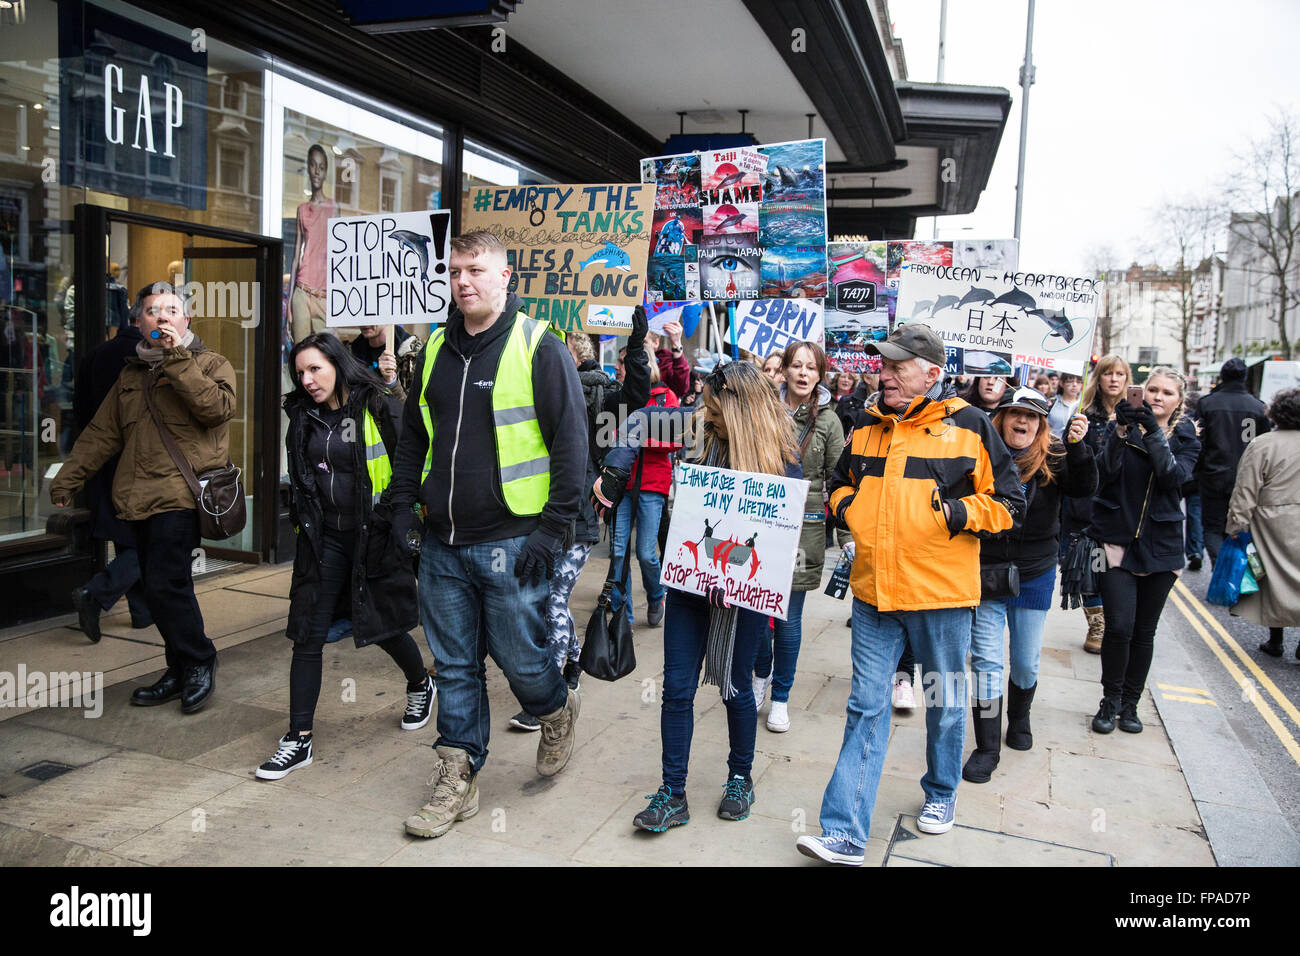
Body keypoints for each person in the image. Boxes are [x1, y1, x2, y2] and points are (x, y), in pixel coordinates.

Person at [797, 323, 1024, 864]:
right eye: (884, 364)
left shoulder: (970, 426)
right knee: (865, 707)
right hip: (875, 593)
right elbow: (840, 485)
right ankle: (845, 833)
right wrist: (849, 509)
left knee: (945, 704)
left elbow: (1010, 502)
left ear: (932, 374)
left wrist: (954, 512)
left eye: (899, 366)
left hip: (941, 595)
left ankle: (942, 792)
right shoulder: (867, 426)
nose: (887, 373)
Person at [387, 231, 585, 839]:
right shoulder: (436, 349)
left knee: (522, 659)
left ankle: (554, 709)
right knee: (453, 665)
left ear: (504, 278)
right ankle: (458, 771)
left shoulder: (540, 346)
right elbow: (415, 436)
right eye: (454, 271)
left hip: (512, 542)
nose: (463, 281)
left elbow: (572, 443)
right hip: (442, 542)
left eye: (476, 270)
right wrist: (400, 503)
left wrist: (553, 531)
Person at [594, 360, 802, 832]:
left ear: (740, 409)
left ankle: (740, 777)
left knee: (735, 689)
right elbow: (642, 418)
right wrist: (616, 467)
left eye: (713, 409)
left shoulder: (783, 459)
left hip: (741, 593)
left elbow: (778, 542)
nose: (705, 416)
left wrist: (745, 581)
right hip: (689, 585)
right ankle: (672, 792)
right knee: (676, 688)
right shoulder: (697, 432)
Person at [50, 282, 235, 714]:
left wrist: (177, 359)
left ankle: (200, 660)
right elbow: (101, 434)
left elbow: (216, 410)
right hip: (136, 498)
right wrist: (66, 479)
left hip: (181, 498)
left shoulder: (210, 363)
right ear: (139, 323)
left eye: (171, 309)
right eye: (152, 310)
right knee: (157, 589)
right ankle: (179, 667)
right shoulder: (132, 374)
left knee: (166, 584)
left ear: (186, 319)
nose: (162, 316)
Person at [255, 334, 433, 779]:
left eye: (315, 369)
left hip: (373, 537)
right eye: (300, 373)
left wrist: (395, 515)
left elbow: (411, 462)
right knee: (307, 634)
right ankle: (298, 739)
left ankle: (420, 684)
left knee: (382, 624)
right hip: (324, 540)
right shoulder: (303, 414)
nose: (307, 380)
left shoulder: (377, 404)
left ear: (337, 363)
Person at [507, 317, 651, 732]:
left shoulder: (596, 392)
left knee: (552, 599)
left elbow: (636, 395)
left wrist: (636, 346)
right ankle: (572, 661)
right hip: (539, 513)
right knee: (544, 600)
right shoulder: (530, 390)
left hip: (579, 517)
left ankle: (548, 699)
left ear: (573, 352)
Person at [963, 388, 1095, 782]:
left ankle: (1019, 720)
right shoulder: (981, 453)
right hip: (987, 570)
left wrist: (1079, 446)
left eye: (1032, 416)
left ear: (1040, 425)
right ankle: (987, 747)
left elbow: (1084, 488)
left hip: (1034, 573)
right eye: (1015, 413)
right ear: (1001, 418)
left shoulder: (1055, 455)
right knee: (986, 661)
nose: (1023, 421)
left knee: (1025, 661)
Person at [1087, 366, 1200, 735]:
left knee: (1143, 632)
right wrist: (1120, 432)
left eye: (1167, 392)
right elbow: (1104, 472)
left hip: (1162, 548)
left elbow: (1173, 478)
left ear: (1179, 401)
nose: (1157, 397)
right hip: (1115, 540)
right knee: (1118, 627)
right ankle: (1110, 700)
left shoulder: (1187, 438)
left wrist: (1152, 431)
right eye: (1152, 389)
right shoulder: (1119, 427)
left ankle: (1131, 704)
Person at [752, 340, 843, 733]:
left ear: (821, 375)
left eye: (812, 367)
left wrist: (848, 532)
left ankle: (782, 697)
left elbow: (841, 479)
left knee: (787, 621)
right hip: (759, 525)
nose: (804, 374)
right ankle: (759, 676)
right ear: (784, 370)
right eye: (797, 366)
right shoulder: (762, 410)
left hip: (804, 532)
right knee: (755, 612)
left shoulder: (829, 422)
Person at [68, 301, 152, 642]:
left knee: (126, 537)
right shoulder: (153, 357)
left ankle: (143, 612)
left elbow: (82, 413)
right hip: (145, 462)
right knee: (150, 541)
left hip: (105, 460)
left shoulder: (95, 355)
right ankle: (96, 592)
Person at [1227, 387, 1300, 659]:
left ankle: (1276, 640)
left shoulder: (1263, 443)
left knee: (1273, 580)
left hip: (1273, 524)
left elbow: (1245, 490)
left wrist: (1236, 526)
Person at [1071, 354, 1132, 653]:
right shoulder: (1084, 412)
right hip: (1087, 501)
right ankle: (1097, 623)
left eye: (1120, 374)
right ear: (1100, 377)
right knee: (1087, 566)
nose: (1114, 379)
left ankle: (1112, 620)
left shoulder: (1134, 415)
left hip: (1120, 504)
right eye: (1108, 373)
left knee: (1113, 568)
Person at [609, 365, 677, 628]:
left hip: (651, 483)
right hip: (622, 482)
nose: (618, 367)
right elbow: (608, 435)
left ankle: (657, 595)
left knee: (646, 553)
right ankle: (621, 616)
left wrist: (638, 438)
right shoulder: (619, 396)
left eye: (624, 363)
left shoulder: (665, 397)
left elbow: (676, 440)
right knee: (617, 551)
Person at [1195, 357, 1271, 567]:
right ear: (1245, 377)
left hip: (1213, 476)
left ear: (1222, 376)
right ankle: (1238, 572)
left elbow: (1199, 442)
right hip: (1248, 478)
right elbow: (1264, 446)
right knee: (1242, 528)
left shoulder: (1207, 403)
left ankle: (1222, 569)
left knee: (1212, 528)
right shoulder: (1258, 407)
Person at [288, 144, 339, 342]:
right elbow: (295, 258)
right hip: (302, 290)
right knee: (299, 355)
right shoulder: (302, 209)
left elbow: (340, 257)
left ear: (326, 172)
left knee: (329, 354)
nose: (316, 171)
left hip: (325, 295)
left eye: (321, 167)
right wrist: (288, 311)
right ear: (308, 169)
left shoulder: (334, 207)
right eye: (312, 165)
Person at [349, 324, 419, 399]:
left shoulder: (411, 354)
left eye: (373, 314)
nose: (365, 323)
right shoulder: (352, 351)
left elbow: (411, 406)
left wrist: (391, 382)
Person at [646, 319, 690, 398]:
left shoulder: (664, 363)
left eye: (644, 342)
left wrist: (676, 344)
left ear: (656, 343)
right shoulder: (627, 360)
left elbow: (681, 389)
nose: (640, 347)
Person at [1046, 371, 1083, 438]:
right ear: (1061, 383)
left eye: (1078, 382)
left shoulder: (1083, 405)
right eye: (1070, 381)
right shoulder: (1051, 403)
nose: (1074, 385)